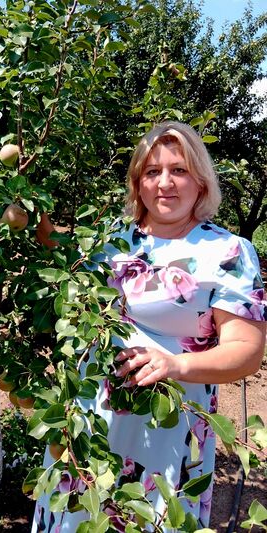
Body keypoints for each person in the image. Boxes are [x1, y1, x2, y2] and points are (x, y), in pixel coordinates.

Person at [31, 121, 266, 532]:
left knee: (151, 517)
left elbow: (246, 351)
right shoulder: (110, 239)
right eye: (152, 171)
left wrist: (176, 364)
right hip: (90, 417)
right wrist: (26, 198)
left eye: (179, 170)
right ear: (138, 182)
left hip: (165, 425)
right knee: (79, 513)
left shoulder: (227, 251)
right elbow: (61, 259)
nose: (165, 183)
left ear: (201, 180)